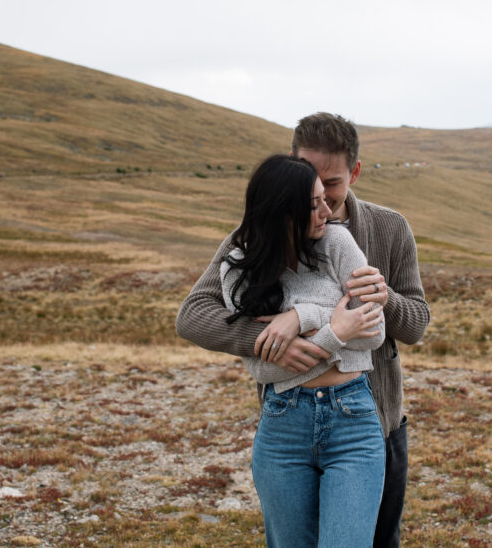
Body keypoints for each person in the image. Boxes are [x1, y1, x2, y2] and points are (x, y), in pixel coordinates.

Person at [177, 112, 430, 547]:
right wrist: (266, 340)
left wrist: (382, 298)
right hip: (285, 412)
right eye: (306, 177)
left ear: (354, 172)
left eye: (330, 183)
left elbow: (417, 324)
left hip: (375, 417)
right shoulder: (253, 237)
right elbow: (194, 313)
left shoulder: (388, 228)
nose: (322, 201)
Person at [221, 153, 387, 546]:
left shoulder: (339, 243)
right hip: (283, 428)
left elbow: (373, 334)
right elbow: (265, 371)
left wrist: (301, 317)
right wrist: (334, 332)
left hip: (354, 422)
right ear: (283, 212)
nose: (327, 211)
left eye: (324, 199)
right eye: (314, 204)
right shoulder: (238, 269)